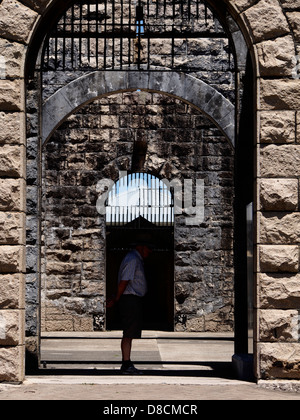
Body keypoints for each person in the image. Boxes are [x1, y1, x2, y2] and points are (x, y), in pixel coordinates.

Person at [106, 243, 152, 375]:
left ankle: (127, 362)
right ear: (140, 246)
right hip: (129, 298)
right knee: (128, 332)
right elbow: (124, 281)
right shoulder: (132, 259)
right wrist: (116, 298)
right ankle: (126, 363)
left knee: (130, 332)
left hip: (132, 298)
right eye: (148, 248)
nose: (149, 252)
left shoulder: (135, 258)